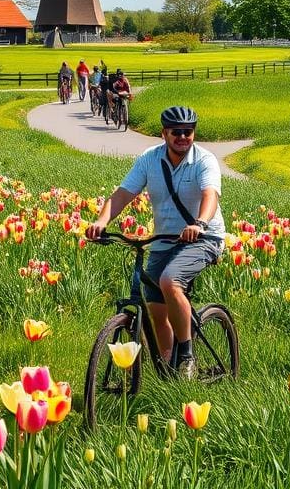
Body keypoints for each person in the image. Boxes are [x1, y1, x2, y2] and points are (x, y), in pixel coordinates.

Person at [85, 106, 225, 379]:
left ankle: (186, 357)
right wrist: (101, 222)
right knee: (157, 310)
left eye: (188, 131)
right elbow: (123, 193)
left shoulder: (204, 160)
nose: (182, 137)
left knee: (170, 281)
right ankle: (168, 371)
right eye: (176, 132)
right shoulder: (150, 160)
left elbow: (210, 195)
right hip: (163, 239)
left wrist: (200, 224)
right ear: (164, 134)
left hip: (203, 237)